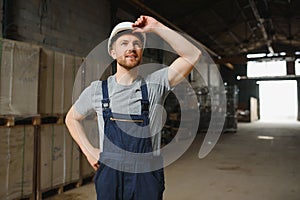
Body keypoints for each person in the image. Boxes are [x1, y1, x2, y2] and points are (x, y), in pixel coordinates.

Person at [66, 15, 201, 200]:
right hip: (110, 174)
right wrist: (89, 151)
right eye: (124, 43)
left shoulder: (155, 85)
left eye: (136, 43)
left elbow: (193, 55)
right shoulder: (98, 90)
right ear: (113, 52)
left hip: (146, 176)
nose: (131, 48)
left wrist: (156, 26)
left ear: (142, 51)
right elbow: (71, 118)